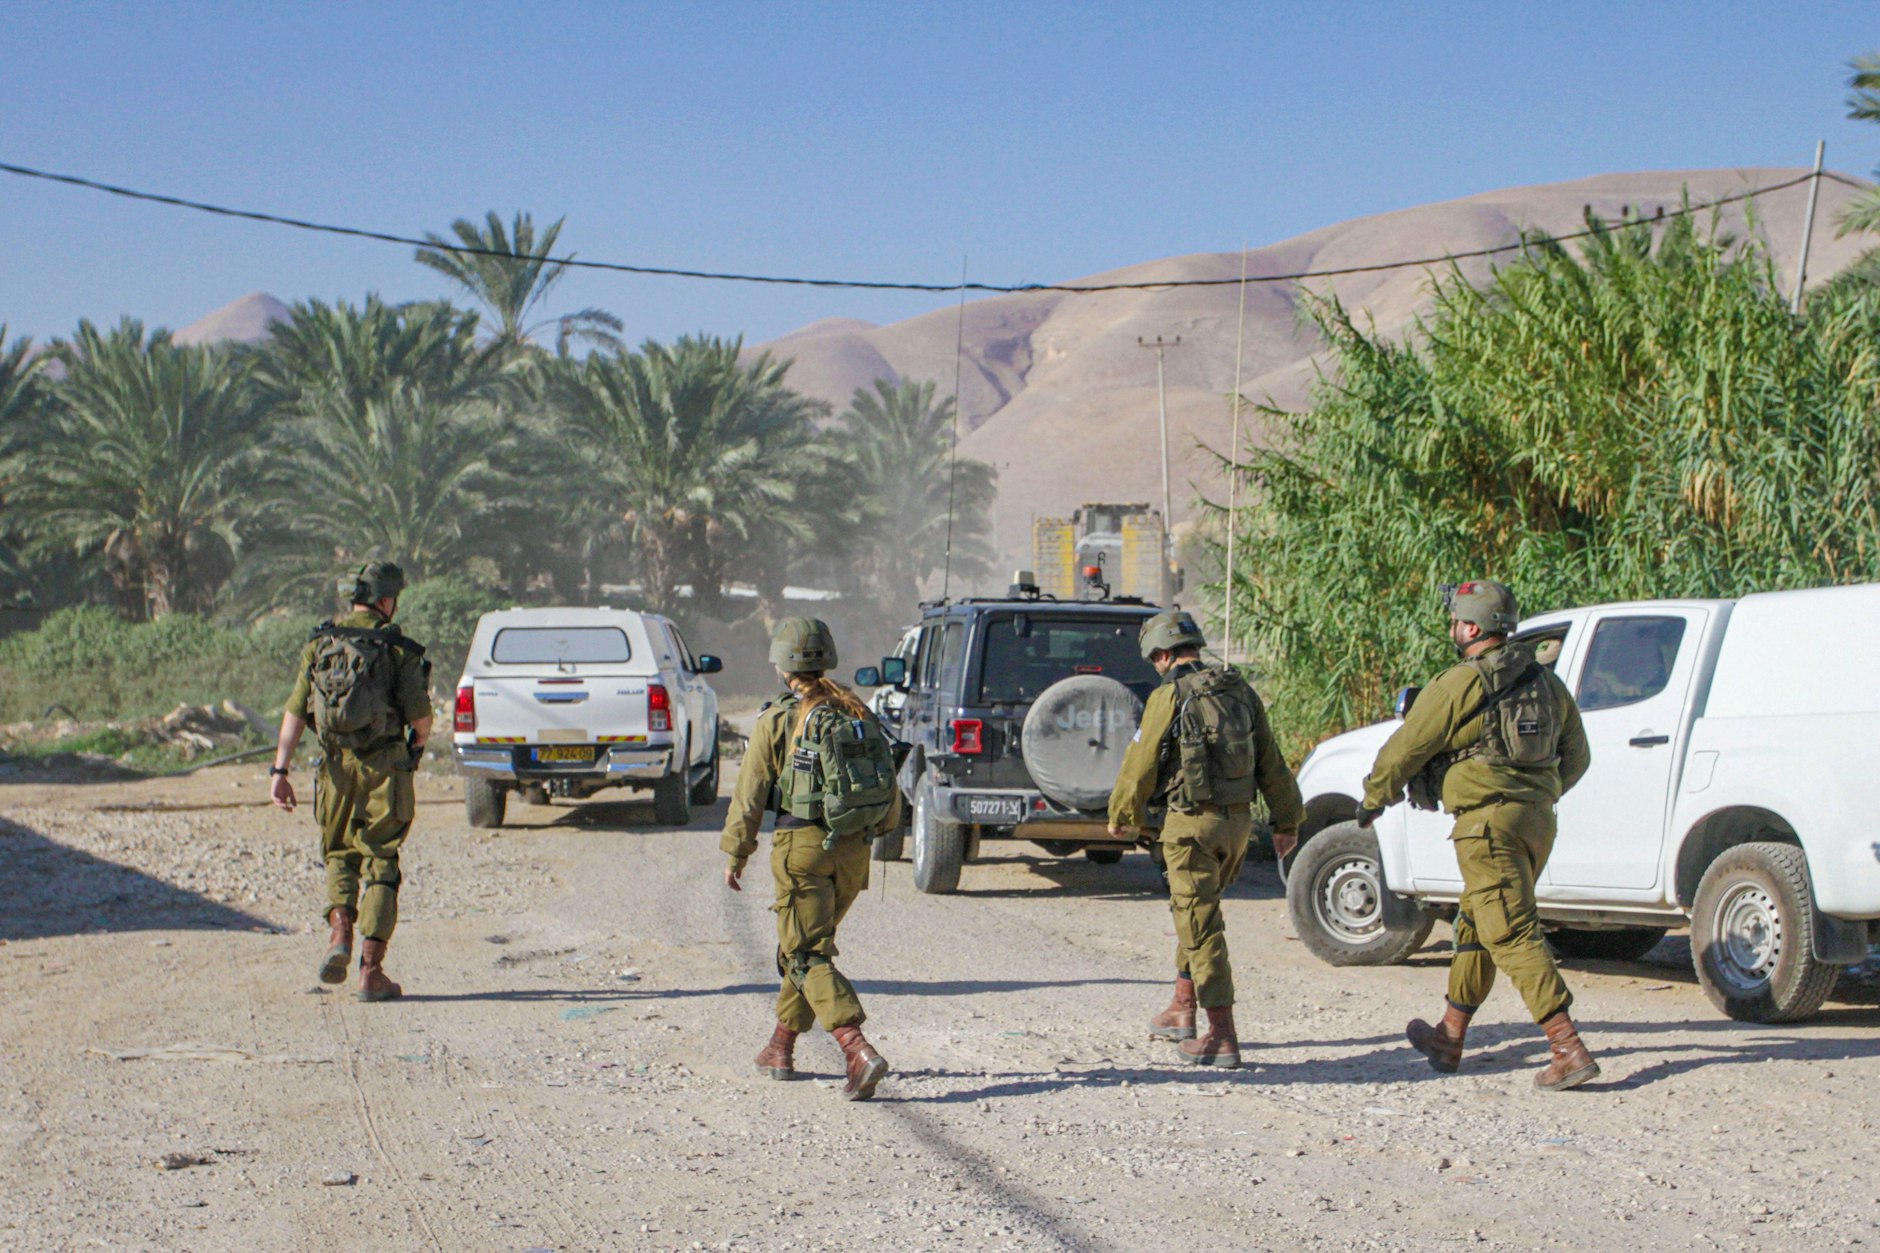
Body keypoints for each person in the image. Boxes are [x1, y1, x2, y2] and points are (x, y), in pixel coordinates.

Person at [1357, 579, 1598, 1091]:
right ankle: (1450, 1034)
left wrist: (1374, 797)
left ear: (1470, 627)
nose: (1453, 630)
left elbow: (1406, 747)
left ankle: (1566, 1046)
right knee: (1476, 921)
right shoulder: (1547, 684)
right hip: (1536, 821)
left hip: (1485, 825)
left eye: (1455, 622)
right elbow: (1577, 757)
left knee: (1509, 930)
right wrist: (1535, 793)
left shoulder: (1460, 682)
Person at [1108, 611, 1302, 1068]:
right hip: (1238, 827)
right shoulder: (1239, 690)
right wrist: (1287, 821)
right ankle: (1181, 1007)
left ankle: (1222, 1035)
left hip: (1192, 825)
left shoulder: (1168, 695)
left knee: (1201, 925)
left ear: (1160, 654)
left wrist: (1122, 816)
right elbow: (1271, 761)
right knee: (1196, 912)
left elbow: (1139, 763)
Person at [721, 618, 901, 1100]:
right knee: (806, 949)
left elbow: (748, 797)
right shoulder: (856, 709)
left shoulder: (778, 718)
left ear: (782, 666)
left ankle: (855, 1048)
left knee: (804, 954)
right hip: (854, 850)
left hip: (801, 851)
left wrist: (737, 852)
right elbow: (889, 786)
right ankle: (780, 1047)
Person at [268, 562, 432, 1002]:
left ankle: (339, 933)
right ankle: (371, 973)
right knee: (382, 862)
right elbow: (420, 720)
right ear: (385, 600)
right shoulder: (399, 649)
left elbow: (294, 714)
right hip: (384, 768)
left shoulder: (319, 644)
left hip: (334, 770)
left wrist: (280, 772)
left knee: (339, 854)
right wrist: (414, 750)